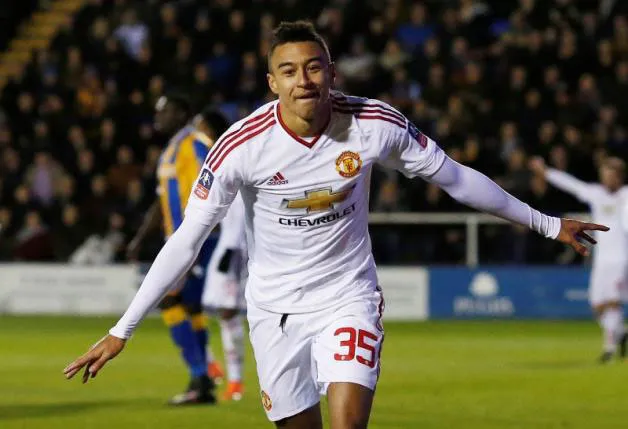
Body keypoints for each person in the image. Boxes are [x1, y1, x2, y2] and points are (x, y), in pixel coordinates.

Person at [65, 21, 607, 428]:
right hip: (274, 309)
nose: (303, 80)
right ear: (272, 82)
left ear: (331, 71)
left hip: (347, 296)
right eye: (289, 71)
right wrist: (122, 330)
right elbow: (187, 238)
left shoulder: (374, 123)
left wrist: (546, 223)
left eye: (314, 67)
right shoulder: (241, 147)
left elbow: (456, 178)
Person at [125, 93, 218, 405]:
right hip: (177, 242)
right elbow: (160, 200)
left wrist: (200, 239)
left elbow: (213, 189)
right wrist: (140, 238)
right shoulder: (170, 151)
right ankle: (202, 382)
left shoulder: (195, 144)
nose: (158, 117)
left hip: (196, 240)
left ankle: (200, 376)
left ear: (181, 113)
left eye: (164, 111)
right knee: (190, 307)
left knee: (168, 300)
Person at [529, 156, 628, 363]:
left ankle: (609, 348)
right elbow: (571, 185)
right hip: (601, 260)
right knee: (597, 305)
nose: (606, 179)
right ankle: (620, 333)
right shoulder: (597, 193)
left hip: (621, 259)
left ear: (619, 177)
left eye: (610, 176)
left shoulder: (626, 195)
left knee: (613, 302)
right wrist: (546, 172)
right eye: (604, 175)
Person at [193, 107, 248, 400]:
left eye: (201, 128)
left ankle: (235, 380)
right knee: (200, 308)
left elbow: (240, 210)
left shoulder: (233, 158)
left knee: (227, 313)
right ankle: (212, 366)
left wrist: (233, 250)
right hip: (228, 246)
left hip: (235, 250)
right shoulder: (214, 160)